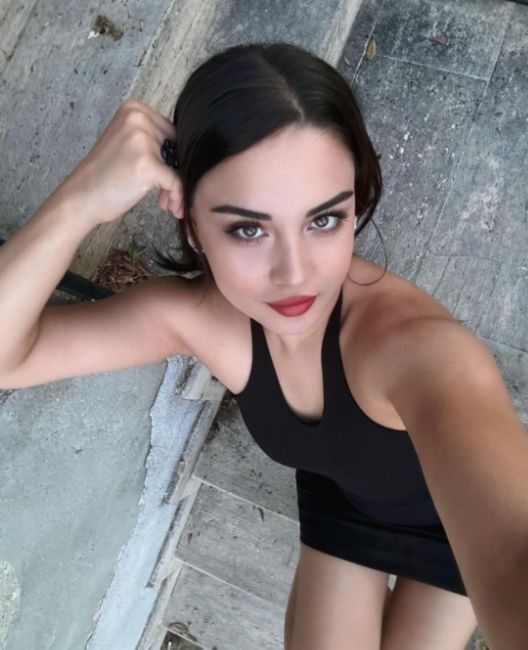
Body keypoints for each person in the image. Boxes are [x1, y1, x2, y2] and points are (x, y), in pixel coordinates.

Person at [0, 42, 527, 649]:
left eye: (324, 219)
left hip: (453, 527)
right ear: (191, 223)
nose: (295, 274)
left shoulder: (420, 352)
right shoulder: (202, 318)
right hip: (343, 500)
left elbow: (514, 556)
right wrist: (79, 202)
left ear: (356, 200)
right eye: (248, 228)